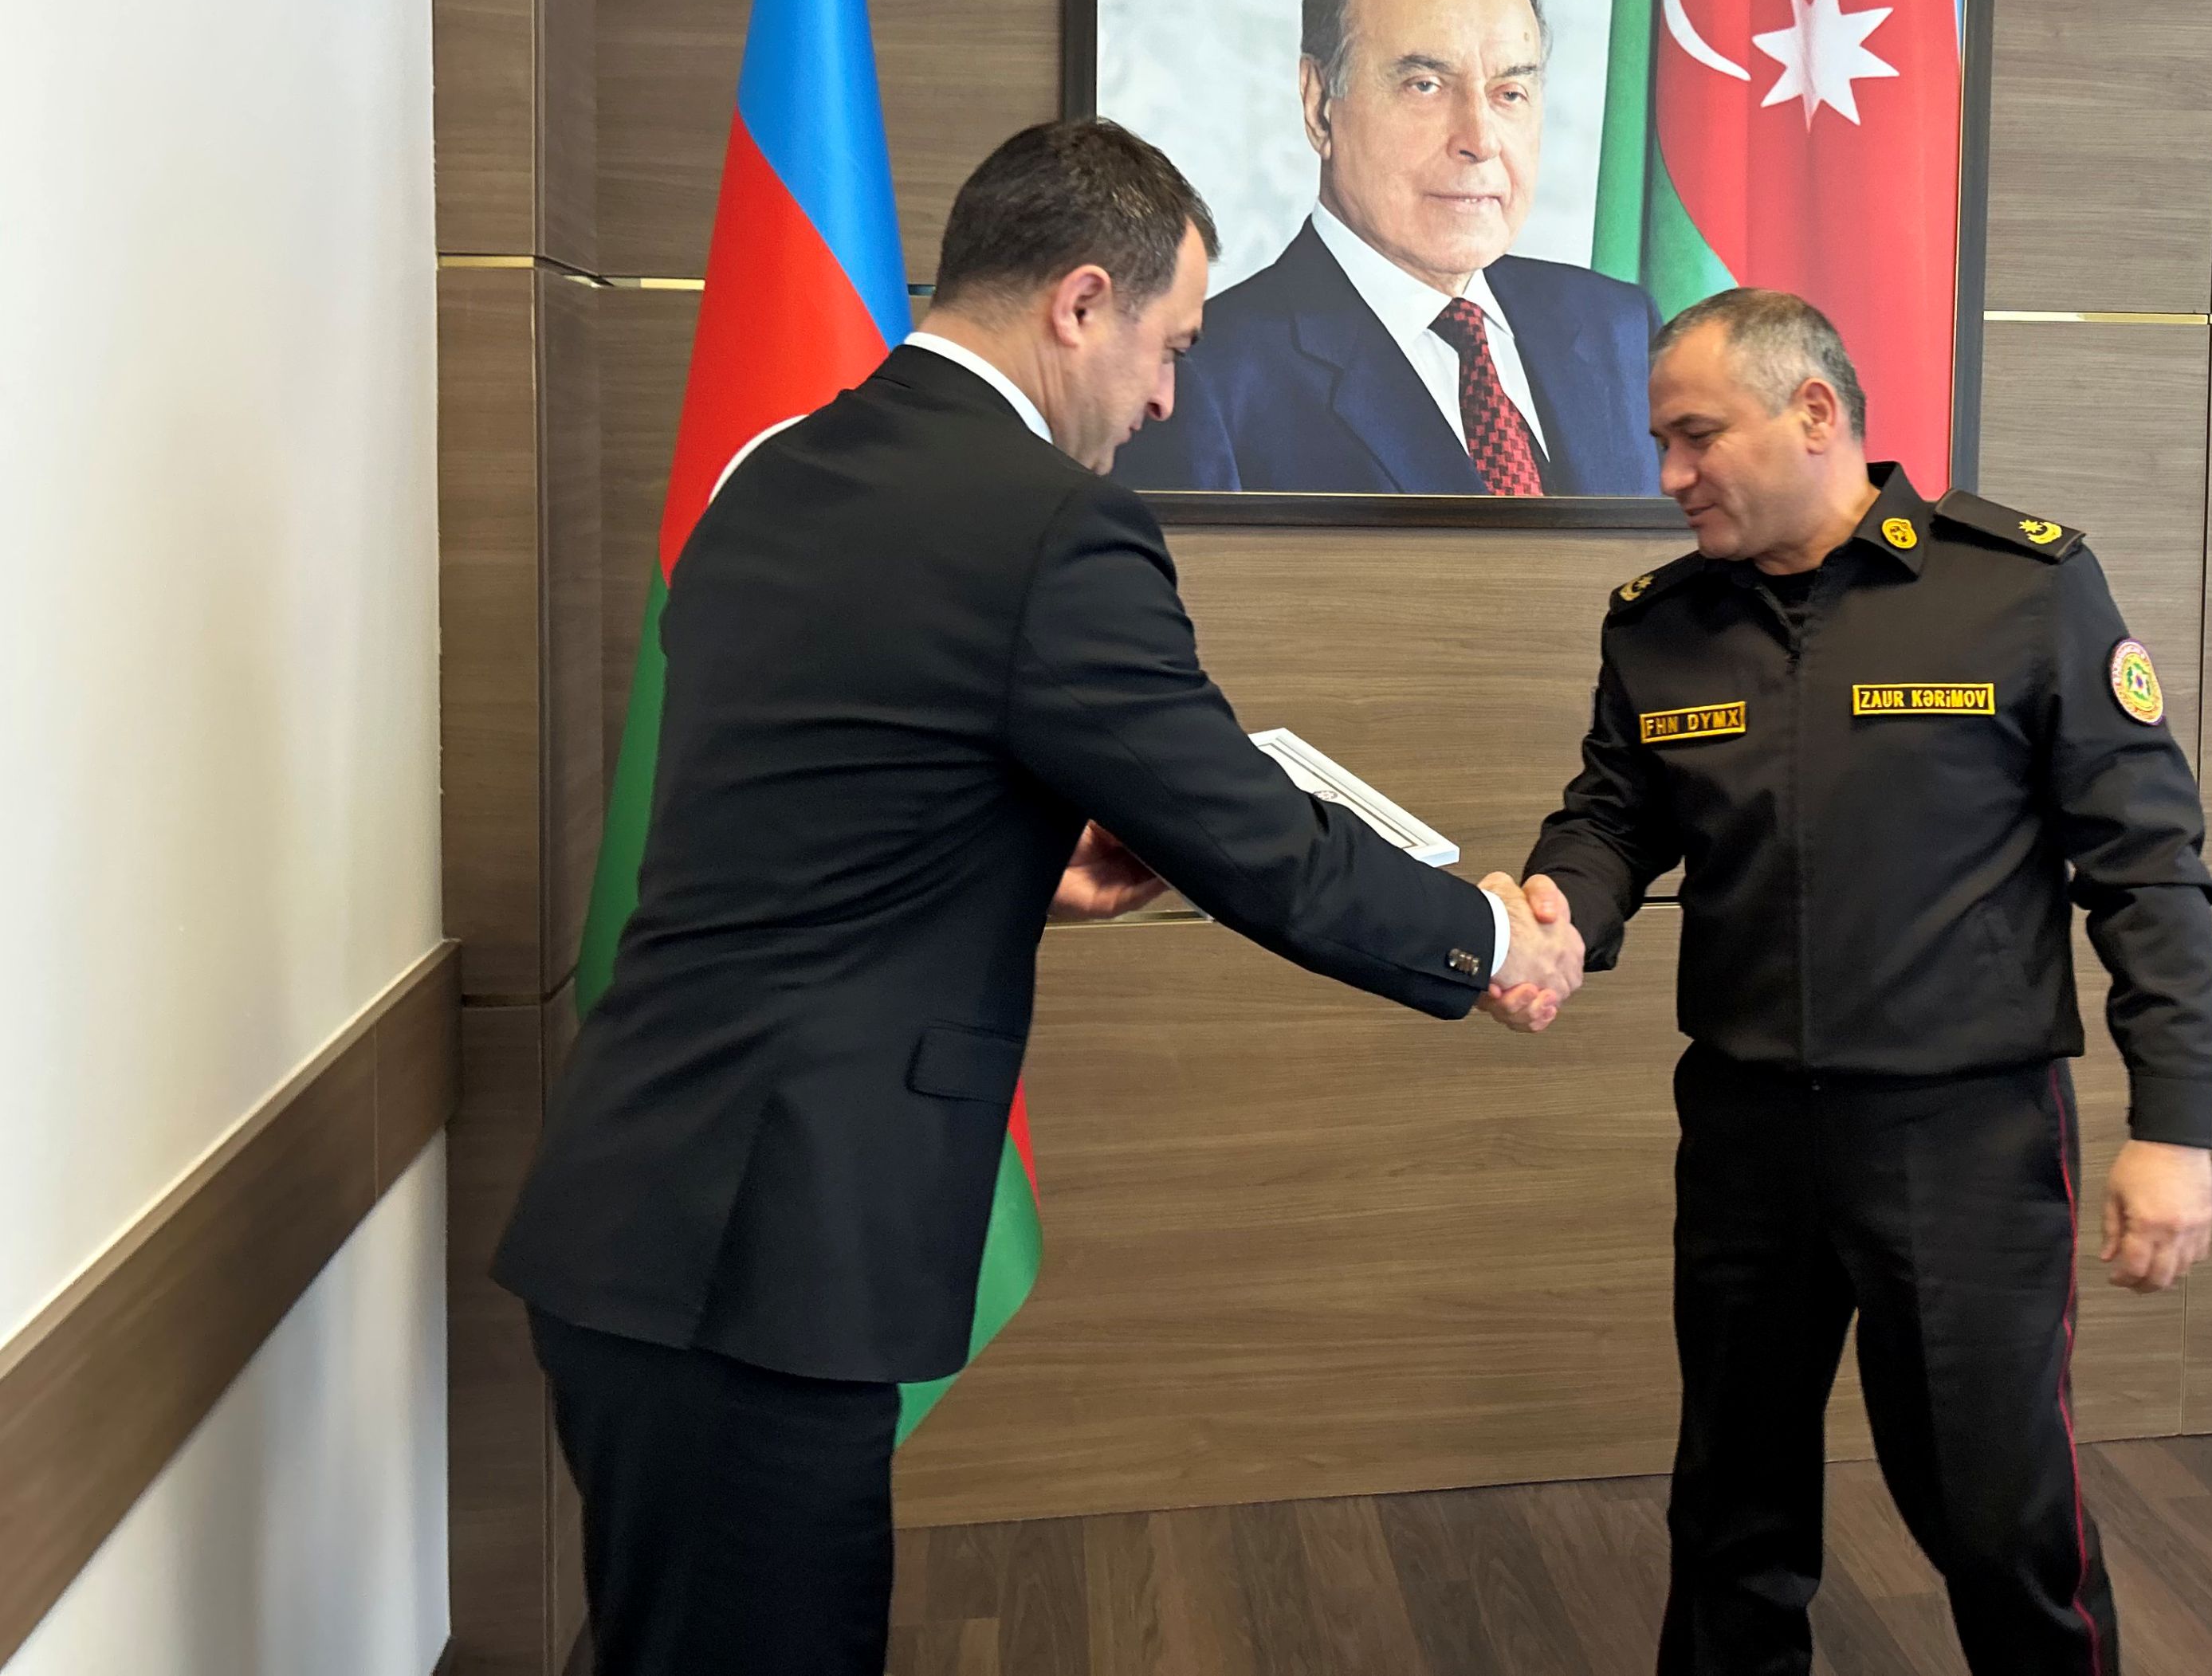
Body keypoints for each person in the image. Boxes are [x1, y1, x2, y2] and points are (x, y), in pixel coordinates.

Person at [492, 118, 1588, 1676]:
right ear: (1081, 301)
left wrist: (1006, 853)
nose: (1167, 398)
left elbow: (804, 805)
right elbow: (1256, 842)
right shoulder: (1054, 529)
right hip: (764, 1252)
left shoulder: (769, 472)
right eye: (1171, 346)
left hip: (642, 1206)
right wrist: (1487, 939)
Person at [1509, 287, 2212, 1676]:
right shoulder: (1659, 623)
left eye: (1698, 436)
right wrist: (1556, 911)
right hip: (1747, 1135)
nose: (1672, 475)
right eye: (1662, 444)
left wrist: (2174, 1126)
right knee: (1731, 1506)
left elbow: (2148, 867)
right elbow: (1613, 817)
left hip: (1964, 1139)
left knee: (2001, 1516)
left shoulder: (2019, 588)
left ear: (1815, 412)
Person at [1110, 0, 1659, 497]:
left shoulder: (1619, 329)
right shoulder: (1204, 385)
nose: (1480, 140)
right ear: (1320, 105)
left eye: (1510, 93)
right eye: (1425, 86)